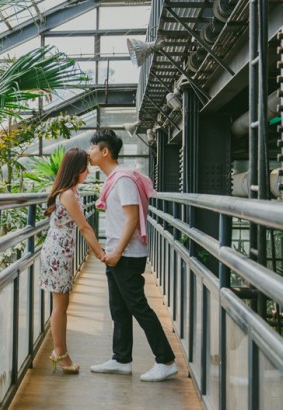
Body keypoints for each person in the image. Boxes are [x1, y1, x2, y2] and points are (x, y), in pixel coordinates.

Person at [87, 129, 178, 382]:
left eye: (92, 148)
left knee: (138, 307)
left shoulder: (122, 180)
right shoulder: (115, 179)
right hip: (118, 252)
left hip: (126, 254)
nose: (88, 152)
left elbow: (132, 219)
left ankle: (166, 360)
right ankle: (121, 359)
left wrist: (117, 252)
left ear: (105, 151)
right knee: (119, 308)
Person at [39, 147, 106, 375]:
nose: (87, 172)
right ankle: (60, 354)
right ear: (75, 169)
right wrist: (101, 254)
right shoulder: (67, 194)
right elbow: (85, 227)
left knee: (62, 303)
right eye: (84, 169)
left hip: (61, 252)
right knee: (60, 305)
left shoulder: (71, 191)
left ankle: (60, 352)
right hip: (57, 254)